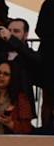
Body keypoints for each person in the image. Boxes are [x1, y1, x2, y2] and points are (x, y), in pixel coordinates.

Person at [0, 19, 42, 117]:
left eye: (16, 31)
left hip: (21, 109)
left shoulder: (29, 54)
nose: (11, 34)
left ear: (26, 34)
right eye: (9, 30)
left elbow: (36, 62)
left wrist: (12, 40)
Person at [36, 0, 54, 128]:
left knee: (47, 99)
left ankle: (46, 131)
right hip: (49, 58)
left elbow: (39, 30)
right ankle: (46, 132)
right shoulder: (49, 4)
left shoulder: (48, 3)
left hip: (48, 56)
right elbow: (40, 30)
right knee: (47, 99)